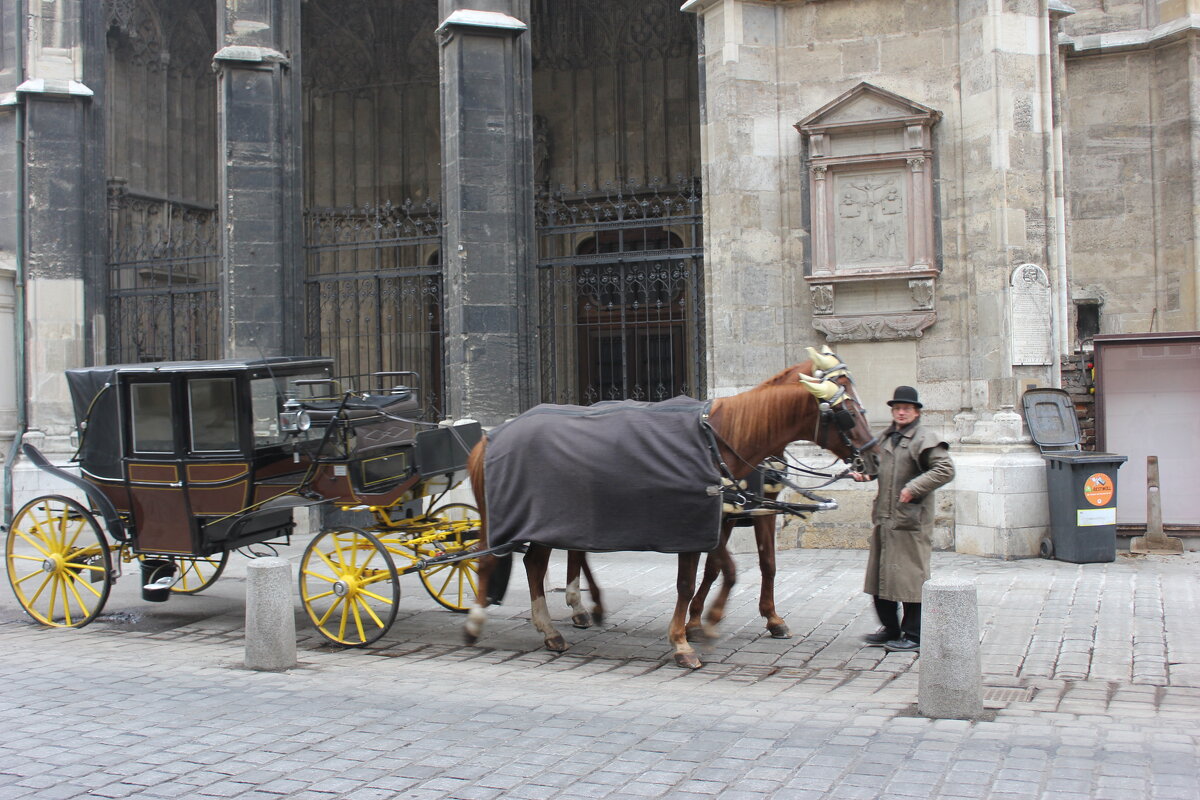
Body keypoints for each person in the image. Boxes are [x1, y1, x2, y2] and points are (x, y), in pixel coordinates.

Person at [850, 385, 955, 653]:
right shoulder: (888, 437)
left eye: (906, 408)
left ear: (916, 411)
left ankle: (914, 635)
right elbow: (878, 467)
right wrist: (866, 474)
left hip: (910, 522)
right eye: (897, 409)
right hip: (886, 519)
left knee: (909, 581)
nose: (901, 412)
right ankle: (891, 629)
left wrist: (913, 488)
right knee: (880, 577)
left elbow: (945, 470)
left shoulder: (924, 437)